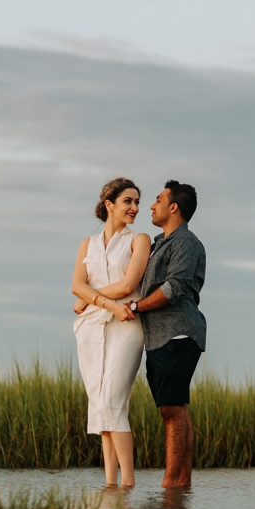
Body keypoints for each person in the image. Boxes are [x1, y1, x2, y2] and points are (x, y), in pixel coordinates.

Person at [71, 178, 152, 487]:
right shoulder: (87, 244)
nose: (135, 208)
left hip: (126, 326)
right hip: (91, 329)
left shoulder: (139, 239)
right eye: (128, 201)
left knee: (113, 401)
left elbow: (128, 285)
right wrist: (105, 303)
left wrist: (91, 299)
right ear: (110, 205)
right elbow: (76, 285)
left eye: (137, 202)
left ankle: (128, 483)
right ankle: (110, 485)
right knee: (100, 405)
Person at [126, 181, 206, 488]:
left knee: (172, 411)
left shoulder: (185, 242)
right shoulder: (160, 241)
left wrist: (136, 306)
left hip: (178, 333)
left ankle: (171, 485)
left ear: (174, 207)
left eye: (158, 200)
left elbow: (173, 289)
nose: (151, 205)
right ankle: (180, 483)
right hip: (162, 336)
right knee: (176, 410)